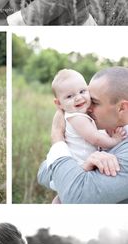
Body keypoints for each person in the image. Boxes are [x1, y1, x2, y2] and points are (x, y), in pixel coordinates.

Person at [37, 66, 128, 203]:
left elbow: (76, 197)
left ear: (122, 108)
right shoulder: (103, 129)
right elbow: (43, 174)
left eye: (95, 102)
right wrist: (83, 165)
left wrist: (57, 137)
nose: (87, 107)